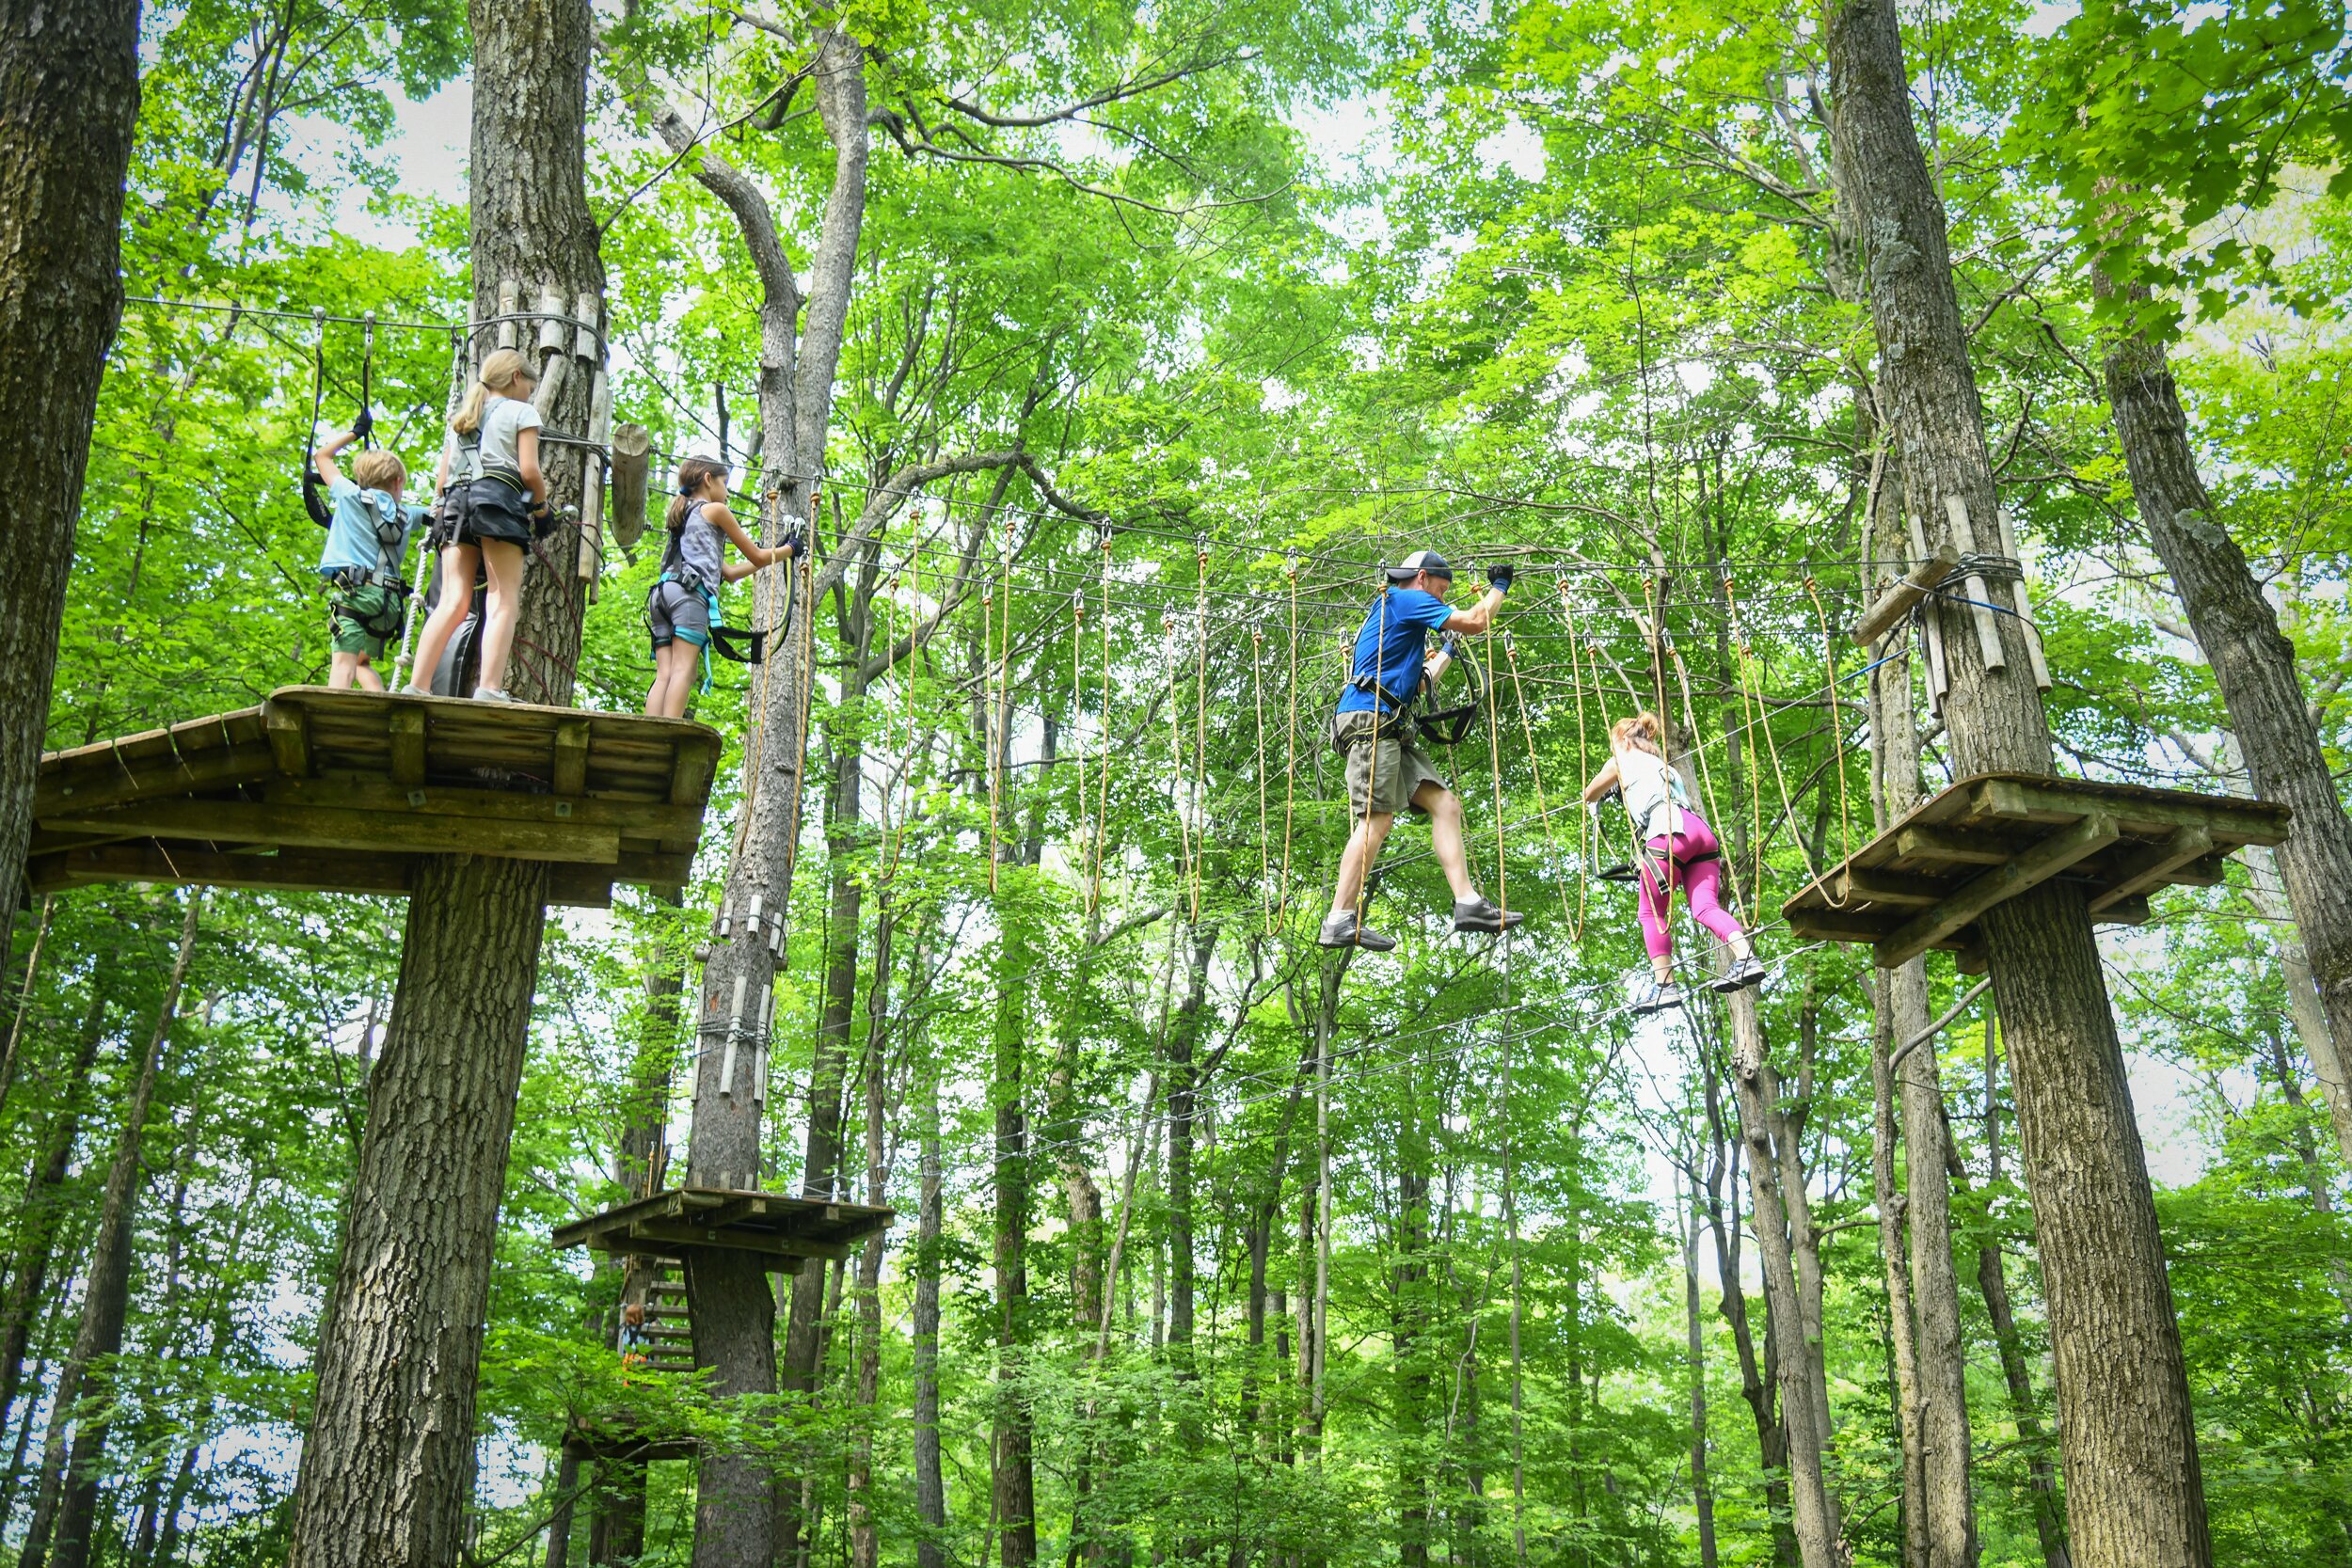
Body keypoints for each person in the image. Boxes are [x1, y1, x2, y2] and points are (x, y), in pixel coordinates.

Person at [1320, 549, 1526, 950]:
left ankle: (1468, 903)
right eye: (1441, 590)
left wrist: (1447, 651)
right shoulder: (1403, 599)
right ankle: (1339, 919)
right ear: (1421, 577)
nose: (1440, 599)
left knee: (1445, 803)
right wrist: (1499, 586)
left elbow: (1420, 682)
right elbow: (1477, 621)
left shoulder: (1404, 622)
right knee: (1376, 821)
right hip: (1370, 722)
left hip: (1390, 725)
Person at [1581, 711, 1766, 1013]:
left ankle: (1665, 987)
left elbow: (1589, 794)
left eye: (1614, 745)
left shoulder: (1620, 761)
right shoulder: (1664, 766)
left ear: (1625, 742)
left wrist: (1610, 786)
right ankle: (1746, 958)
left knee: (1650, 911)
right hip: (1700, 834)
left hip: (1668, 830)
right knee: (1706, 908)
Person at [402, 349, 548, 703]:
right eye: (529, 385)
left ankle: (416, 686)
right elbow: (528, 472)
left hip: (454, 506)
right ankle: (490, 689)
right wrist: (542, 510)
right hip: (497, 503)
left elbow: (441, 483)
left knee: (453, 599)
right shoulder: (521, 411)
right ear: (516, 377)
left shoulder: (463, 418)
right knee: (502, 598)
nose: (529, 392)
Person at [643, 457, 798, 718]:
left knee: (665, 673)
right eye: (724, 484)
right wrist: (791, 549)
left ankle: (648, 734)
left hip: (661, 596)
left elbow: (730, 573)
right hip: (688, 597)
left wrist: (778, 551)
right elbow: (758, 556)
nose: (726, 493)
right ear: (707, 479)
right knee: (684, 670)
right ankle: (666, 733)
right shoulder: (715, 511)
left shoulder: (684, 516)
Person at [310, 421, 428, 690]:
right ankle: (381, 703)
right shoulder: (407, 514)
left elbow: (322, 457)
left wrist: (355, 433)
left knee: (343, 664)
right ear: (398, 482)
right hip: (389, 605)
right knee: (362, 662)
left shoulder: (349, 495)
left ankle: (333, 715)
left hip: (355, 595)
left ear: (360, 479)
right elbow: (439, 512)